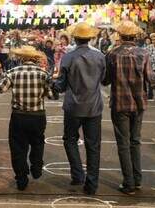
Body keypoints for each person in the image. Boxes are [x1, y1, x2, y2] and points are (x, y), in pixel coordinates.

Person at [103, 21, 155, 195]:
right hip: (139, 104)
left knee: (123, 144)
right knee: (135, 141)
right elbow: (152, 78)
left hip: (119, 104)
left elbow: (105, 80)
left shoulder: (112, 54)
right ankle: (137, 180)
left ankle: (129, 183)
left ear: (120, 35)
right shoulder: (143, 53)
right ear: (135, 35)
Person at [0, 46, 57, 191]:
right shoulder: (43, 73)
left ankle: (21, 178)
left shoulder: (13, 72)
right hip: (38, 115)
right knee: (37, 143)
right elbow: (52, 95)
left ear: (22, 58)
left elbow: (0, 88)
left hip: (19, 116)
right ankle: (36, 167)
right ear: (35, 59)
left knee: (18, 148)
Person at [54, 22, 105, 196]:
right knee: (93, 146)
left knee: (70, 140)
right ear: (90, 38)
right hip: (94, 107)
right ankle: (92, 184)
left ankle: (77, 174)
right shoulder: (99, 56)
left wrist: (52, 83)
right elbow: (103, 80)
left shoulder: (68, 57)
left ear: (74, 38)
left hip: (73, 106)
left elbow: (60, 86)